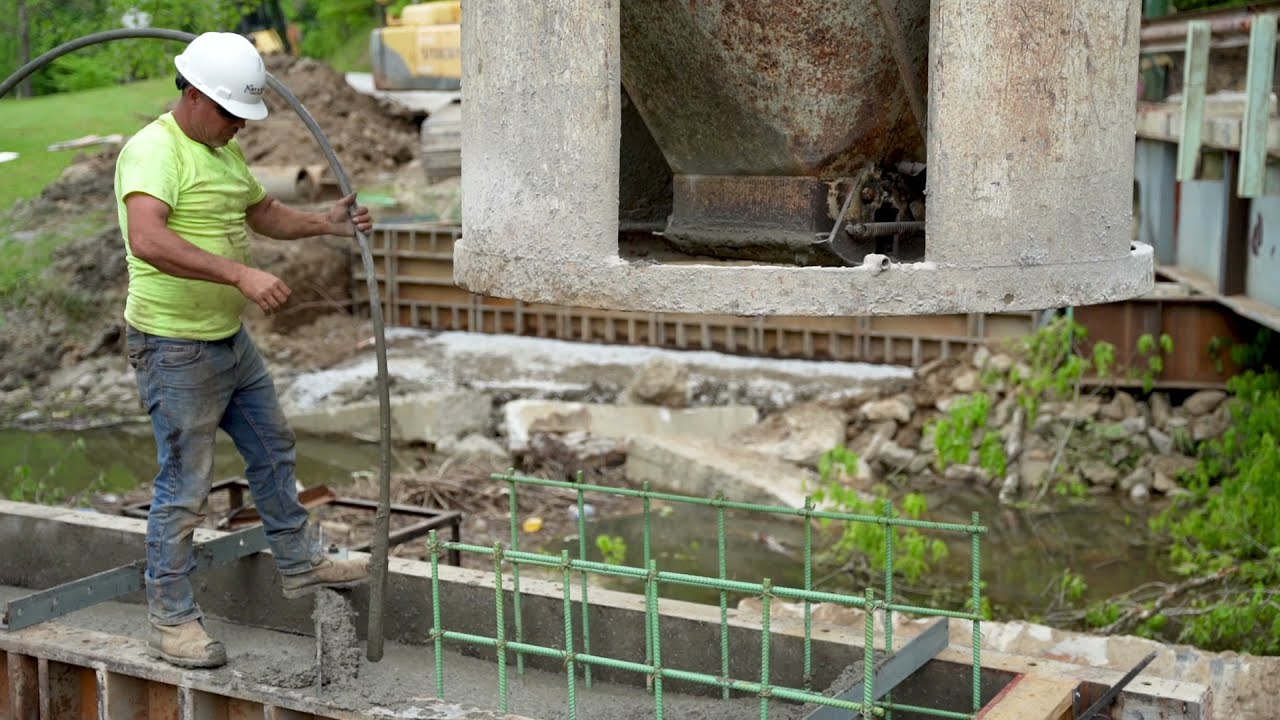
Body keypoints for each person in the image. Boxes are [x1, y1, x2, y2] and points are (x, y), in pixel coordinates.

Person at [114, 31, 372, 669]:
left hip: (228, 341)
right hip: (174, 348)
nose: (237, 127)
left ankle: (301, 561)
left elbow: (262, 213)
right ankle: (171, 620)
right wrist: (240, 275)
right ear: (196, 95)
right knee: (184, 488)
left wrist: (326, 221)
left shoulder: (221, 154)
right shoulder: (154, 152)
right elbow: (146, 239)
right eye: (230, 113)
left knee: (272, 445)